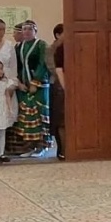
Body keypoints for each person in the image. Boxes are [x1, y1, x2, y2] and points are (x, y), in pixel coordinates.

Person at [13, 20, 50, 157]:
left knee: (39, 114)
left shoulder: (41, 45)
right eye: (24, 29)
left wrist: (35, 82)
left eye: (30, 29)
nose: (27, 32)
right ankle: (29, 147)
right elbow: (17, 66)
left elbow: (43, 64)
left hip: (39, 86)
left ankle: (42, 146)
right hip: (24, 87)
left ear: (35, 31)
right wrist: (19, 83)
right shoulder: (19, 47)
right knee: (27, 116)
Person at [50, 24, 66, 160]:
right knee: (61, 120)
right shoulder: (56, 49)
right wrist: (65, 86)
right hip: (59, 86)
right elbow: (56, 69)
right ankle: (62, 149)